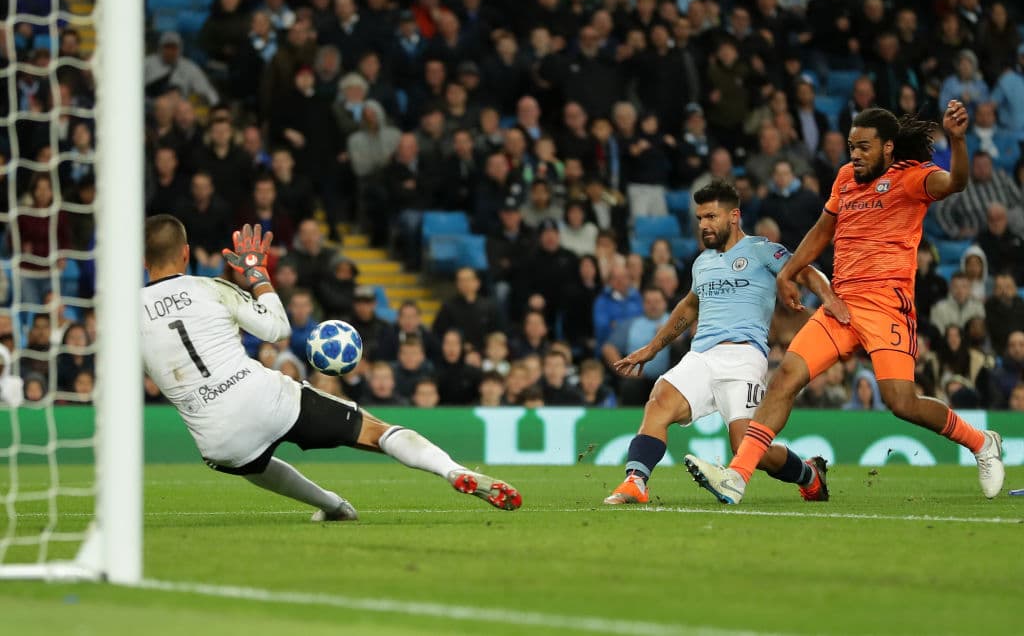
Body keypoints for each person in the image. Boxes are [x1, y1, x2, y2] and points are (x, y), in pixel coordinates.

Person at [683, 103, 1005, 504]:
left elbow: (956, 182)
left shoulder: (911, 179)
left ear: (888, 147)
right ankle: (737, 476)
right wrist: (787, 273)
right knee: (785, 378)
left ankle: (981, 442)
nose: (855, 154)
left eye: (864, 147)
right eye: (852, 146)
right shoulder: (845, 180)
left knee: (901, 403)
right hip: (840, 305)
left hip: (887, 307)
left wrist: (956, 141)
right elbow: (822, 232)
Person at [141, 217, 522, 521]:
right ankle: (452, 471)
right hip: (264, 398)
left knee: (251, 464)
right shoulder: (211, 289)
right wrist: (256, 274)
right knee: (374, 432)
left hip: (216, 437)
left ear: (143, 260)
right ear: (186, 252)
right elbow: (277, 329)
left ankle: (333, 505)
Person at [604, 181, 836, 505]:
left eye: (711, 217)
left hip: (744, 356)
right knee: (659, 401)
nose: (704, 225)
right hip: (701, 354)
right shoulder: (703, 262)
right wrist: (653, 348)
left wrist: (830, 299)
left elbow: (807, 271)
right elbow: (689, 306)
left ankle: (809, 475)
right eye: (700, 218)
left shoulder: (762, 250)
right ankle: (635, 481)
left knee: (748, 447)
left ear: (734, 216)